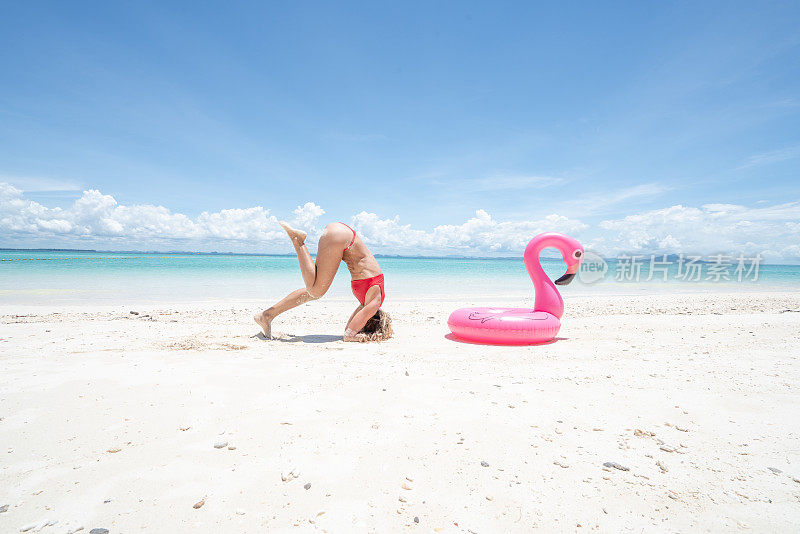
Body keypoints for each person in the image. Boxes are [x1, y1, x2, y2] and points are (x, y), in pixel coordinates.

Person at [254, 221, 393, 342]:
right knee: (316, 291)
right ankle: (298, 241)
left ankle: (266, 315)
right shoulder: (375, 302)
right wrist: (363, 336)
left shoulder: (367, 303)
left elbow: (349, 327)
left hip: (340, 234)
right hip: (342, 239)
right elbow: (348, 335)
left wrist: (355, 330)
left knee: (312, 291)